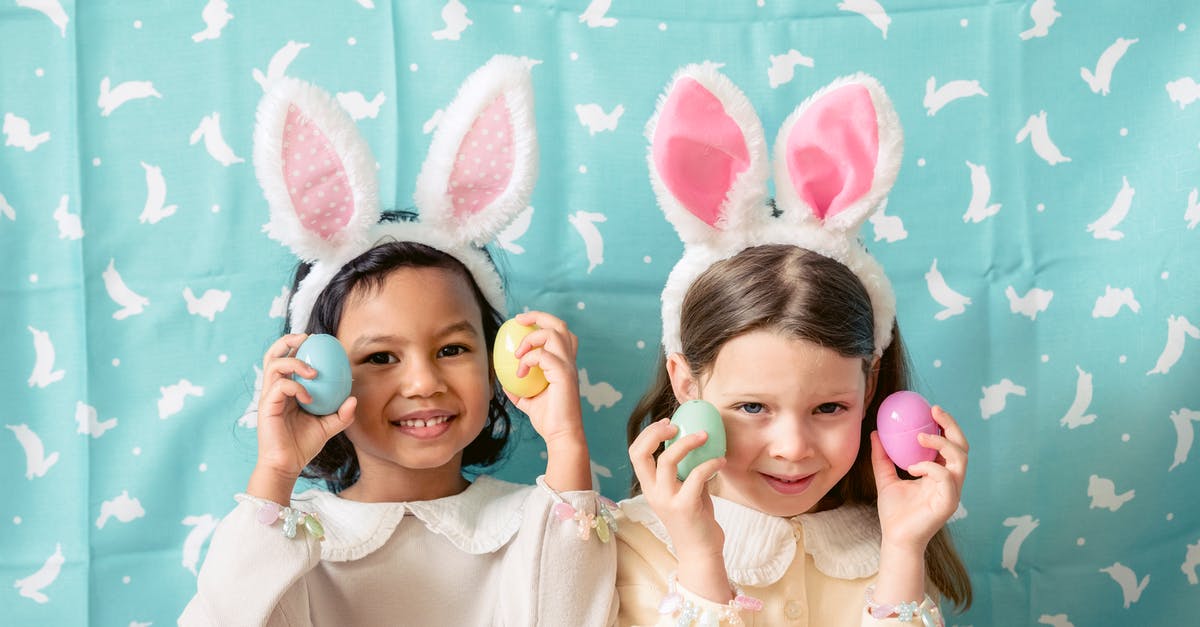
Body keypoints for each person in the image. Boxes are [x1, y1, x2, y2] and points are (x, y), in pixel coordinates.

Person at [180, 56, 616, 626]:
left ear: (497, 363)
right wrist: (276, 474)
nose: (424, 382)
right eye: (381, 357)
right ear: (317, 376)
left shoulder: (544, 518)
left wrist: (566, 442)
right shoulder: (286, 535)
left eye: (453, 349)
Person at [614, 65, 972, 626]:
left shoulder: (887, 537)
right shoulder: (630, 542)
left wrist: (902, 551)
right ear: (687, 385)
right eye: (753, 408)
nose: (793, 447)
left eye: (829, 408)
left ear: (870, 384)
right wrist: (703, 556)